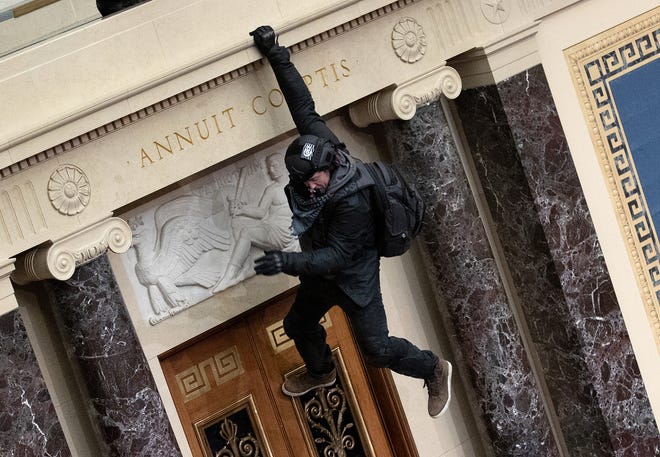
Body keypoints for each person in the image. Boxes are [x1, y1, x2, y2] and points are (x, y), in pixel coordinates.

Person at [250, 25, 452, 418]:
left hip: (353, 277)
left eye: (313, 180)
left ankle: (432, 368)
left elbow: (336, 257)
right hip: (320, 276)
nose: (308, 188)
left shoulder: (352, 200)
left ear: (329, 167)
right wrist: (276, 54)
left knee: (376, 350)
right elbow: (303, 107)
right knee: (297, 325)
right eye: (301, 181)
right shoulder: (322, 146)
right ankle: (321, 371)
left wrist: (285, 262)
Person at [213, 153, 297, 291]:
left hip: (286, 232)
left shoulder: (296, 184)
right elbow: (260, 212)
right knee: (240, 226)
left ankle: (231, 275)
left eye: (274, 165)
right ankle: (239, 271)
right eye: (269, 167)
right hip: (272, 228)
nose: (271, 170)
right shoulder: (271, 189)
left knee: (246, 232)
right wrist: (241, 209)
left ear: (283, 164)